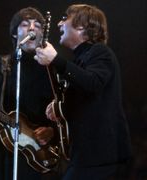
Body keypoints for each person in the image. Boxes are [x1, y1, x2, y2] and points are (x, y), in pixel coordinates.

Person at [34, 4, 132, 179]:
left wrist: (56, 60)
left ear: (81, 26)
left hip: (102, 157)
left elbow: (93, 83)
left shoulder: (101, 52)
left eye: (65, 18)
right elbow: (86, 103)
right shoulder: (80, 59)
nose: (58, 23)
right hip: (87, 156)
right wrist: (59, 109)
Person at [0, 7, 59, 180]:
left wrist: (52, 131)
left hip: (36, 156)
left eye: (38, 25)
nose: (32, 28)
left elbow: (63, 113)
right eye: (25, 24)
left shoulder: (51, 71)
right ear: (15, 33)